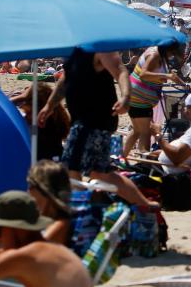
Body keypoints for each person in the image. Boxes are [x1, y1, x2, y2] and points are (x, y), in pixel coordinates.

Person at [40, 48, 156, 207]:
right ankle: (78, 209)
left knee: (93, 172)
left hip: (96, 120)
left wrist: (126, 97)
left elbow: (120, 70)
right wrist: (50, 105)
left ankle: (143, 204)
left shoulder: (99, 47)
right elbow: (66, 79)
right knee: (84, 171)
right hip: (80, 121)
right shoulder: (75, 50)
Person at [121, 43, 184, 153]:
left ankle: (122, 157)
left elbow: (154, 74)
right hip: (139, 98)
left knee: (137, 130)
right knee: (146, 131)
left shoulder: (157, 53)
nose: (172, 56)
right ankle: (144, 159)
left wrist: (184, 85)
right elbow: (143, 74)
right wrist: (166, 76)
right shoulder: (155, 55)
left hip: (136, 95)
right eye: (172, 53)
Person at [11, 84, 71, 162]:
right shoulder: (57, 117)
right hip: (56, 160)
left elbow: (4, 105)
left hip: (41, 165)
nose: (22, 104)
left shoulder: (40, 123)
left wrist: (22, 96)